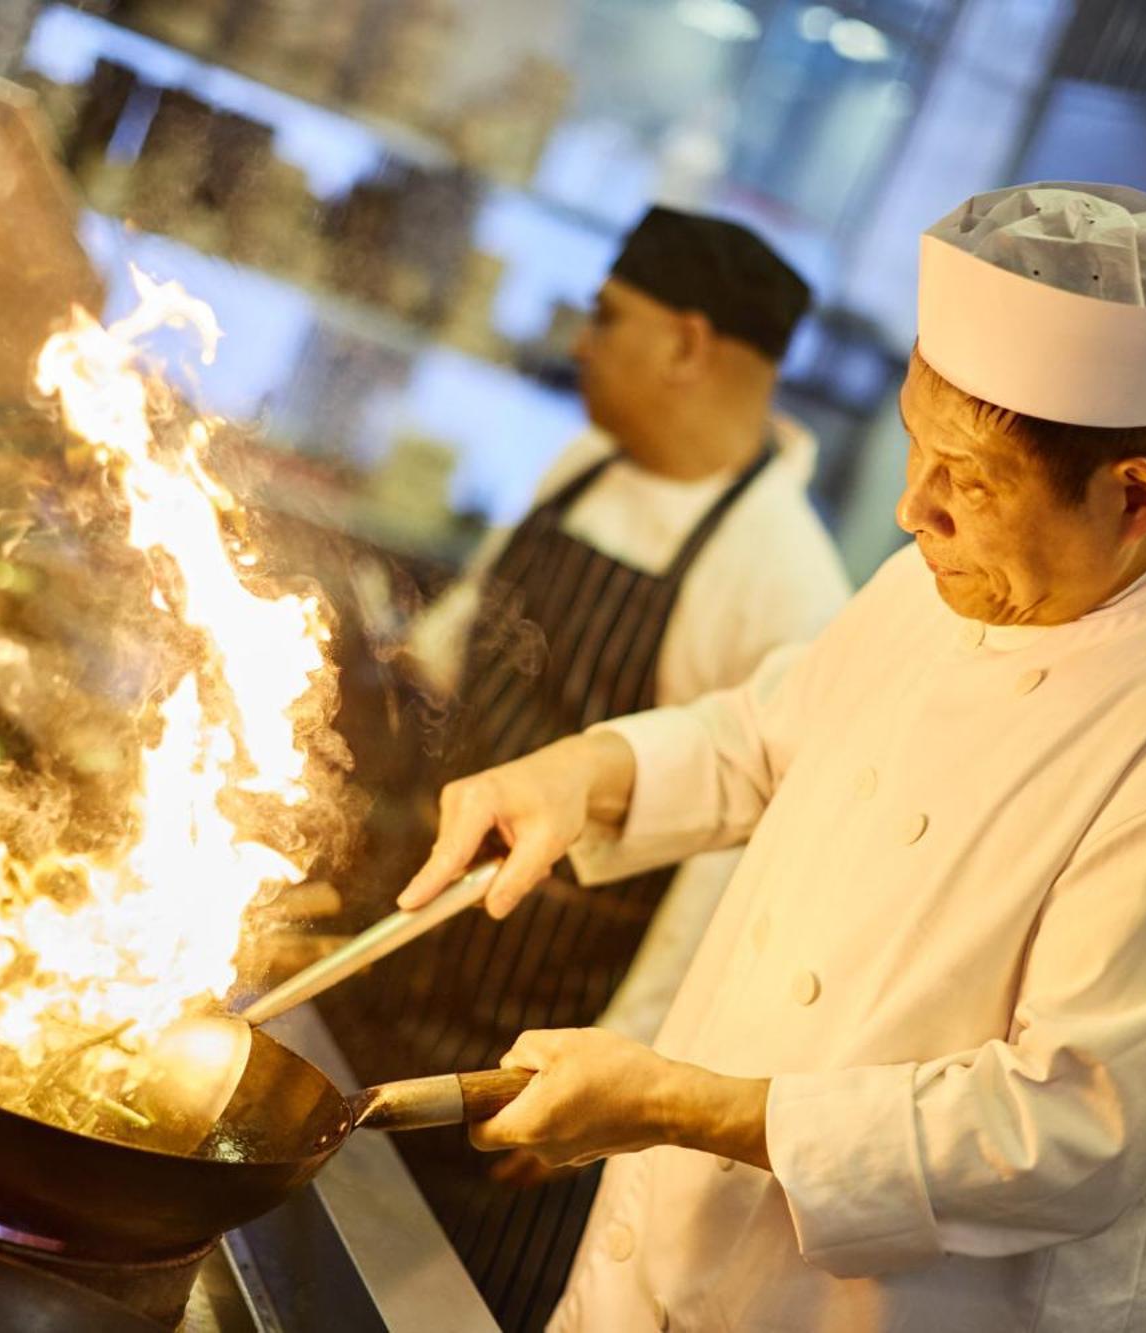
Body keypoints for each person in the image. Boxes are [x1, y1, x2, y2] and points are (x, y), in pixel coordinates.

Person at [394, 182, 1146, 1331]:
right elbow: (762, 736)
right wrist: (581, 771)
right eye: (914, 445)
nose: (910, 508)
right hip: (651, 1280)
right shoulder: (951, 577)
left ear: (1133, 498)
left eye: (970, 479)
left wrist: (679, 1103)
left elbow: (1066, 1132)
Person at [322, 207, 850, 1332]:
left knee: (425, 1299)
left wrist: (623, 1073)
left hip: (539, 1027)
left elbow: (725, 886)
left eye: (607, 317)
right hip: (410, 943)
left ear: (686, 344)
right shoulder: (583, 464)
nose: (580, 340)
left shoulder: (780, 578)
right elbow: (467, 647)